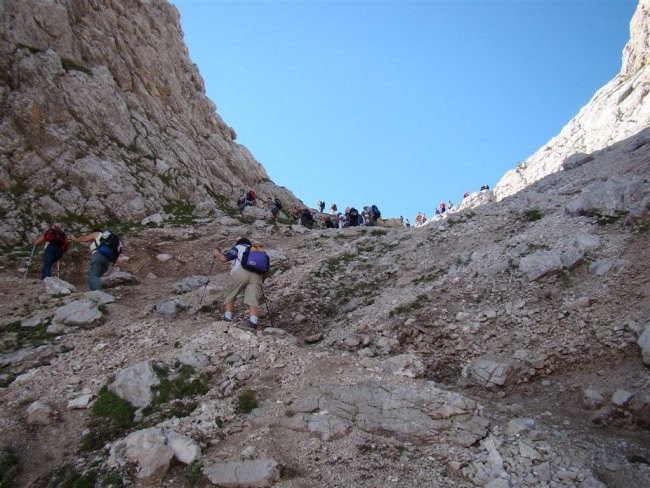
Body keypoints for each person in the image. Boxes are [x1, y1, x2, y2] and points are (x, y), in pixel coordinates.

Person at [213, 237, 263, 329]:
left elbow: (224, 259)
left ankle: (227, 318)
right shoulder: (257, 251)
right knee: (253, 299)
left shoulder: (239, 247)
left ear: (238, 243)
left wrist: (217, 254)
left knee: (230, 295)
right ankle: (253, 322)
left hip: (241, 273)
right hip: (257, 275)